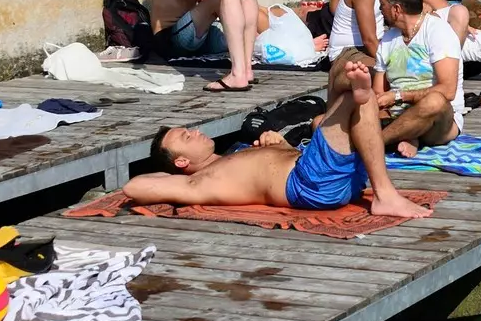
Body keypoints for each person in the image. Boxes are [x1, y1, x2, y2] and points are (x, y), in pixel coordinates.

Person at [127, 53, 431, 218]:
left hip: (322, 172)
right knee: (356, 97)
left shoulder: (233, 154)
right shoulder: (199, 183)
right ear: (181, 162)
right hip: (311, 184)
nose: (195, 131)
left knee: (343, 63)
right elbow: (133, 187)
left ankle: (356, 94)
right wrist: (173, 179)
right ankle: (384, 193)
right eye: (186, 137)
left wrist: (281, 146)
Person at [373, 0, 464, 153]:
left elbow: (448, 91)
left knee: (435, 101)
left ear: (396, 9)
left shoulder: (438, 32)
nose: (380, 9)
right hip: (397, 116)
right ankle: (406, 136)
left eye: (382, 4)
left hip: (439, 121)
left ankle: (373, 144)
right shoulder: (388, 39)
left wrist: (399, 96)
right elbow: (379, 92)